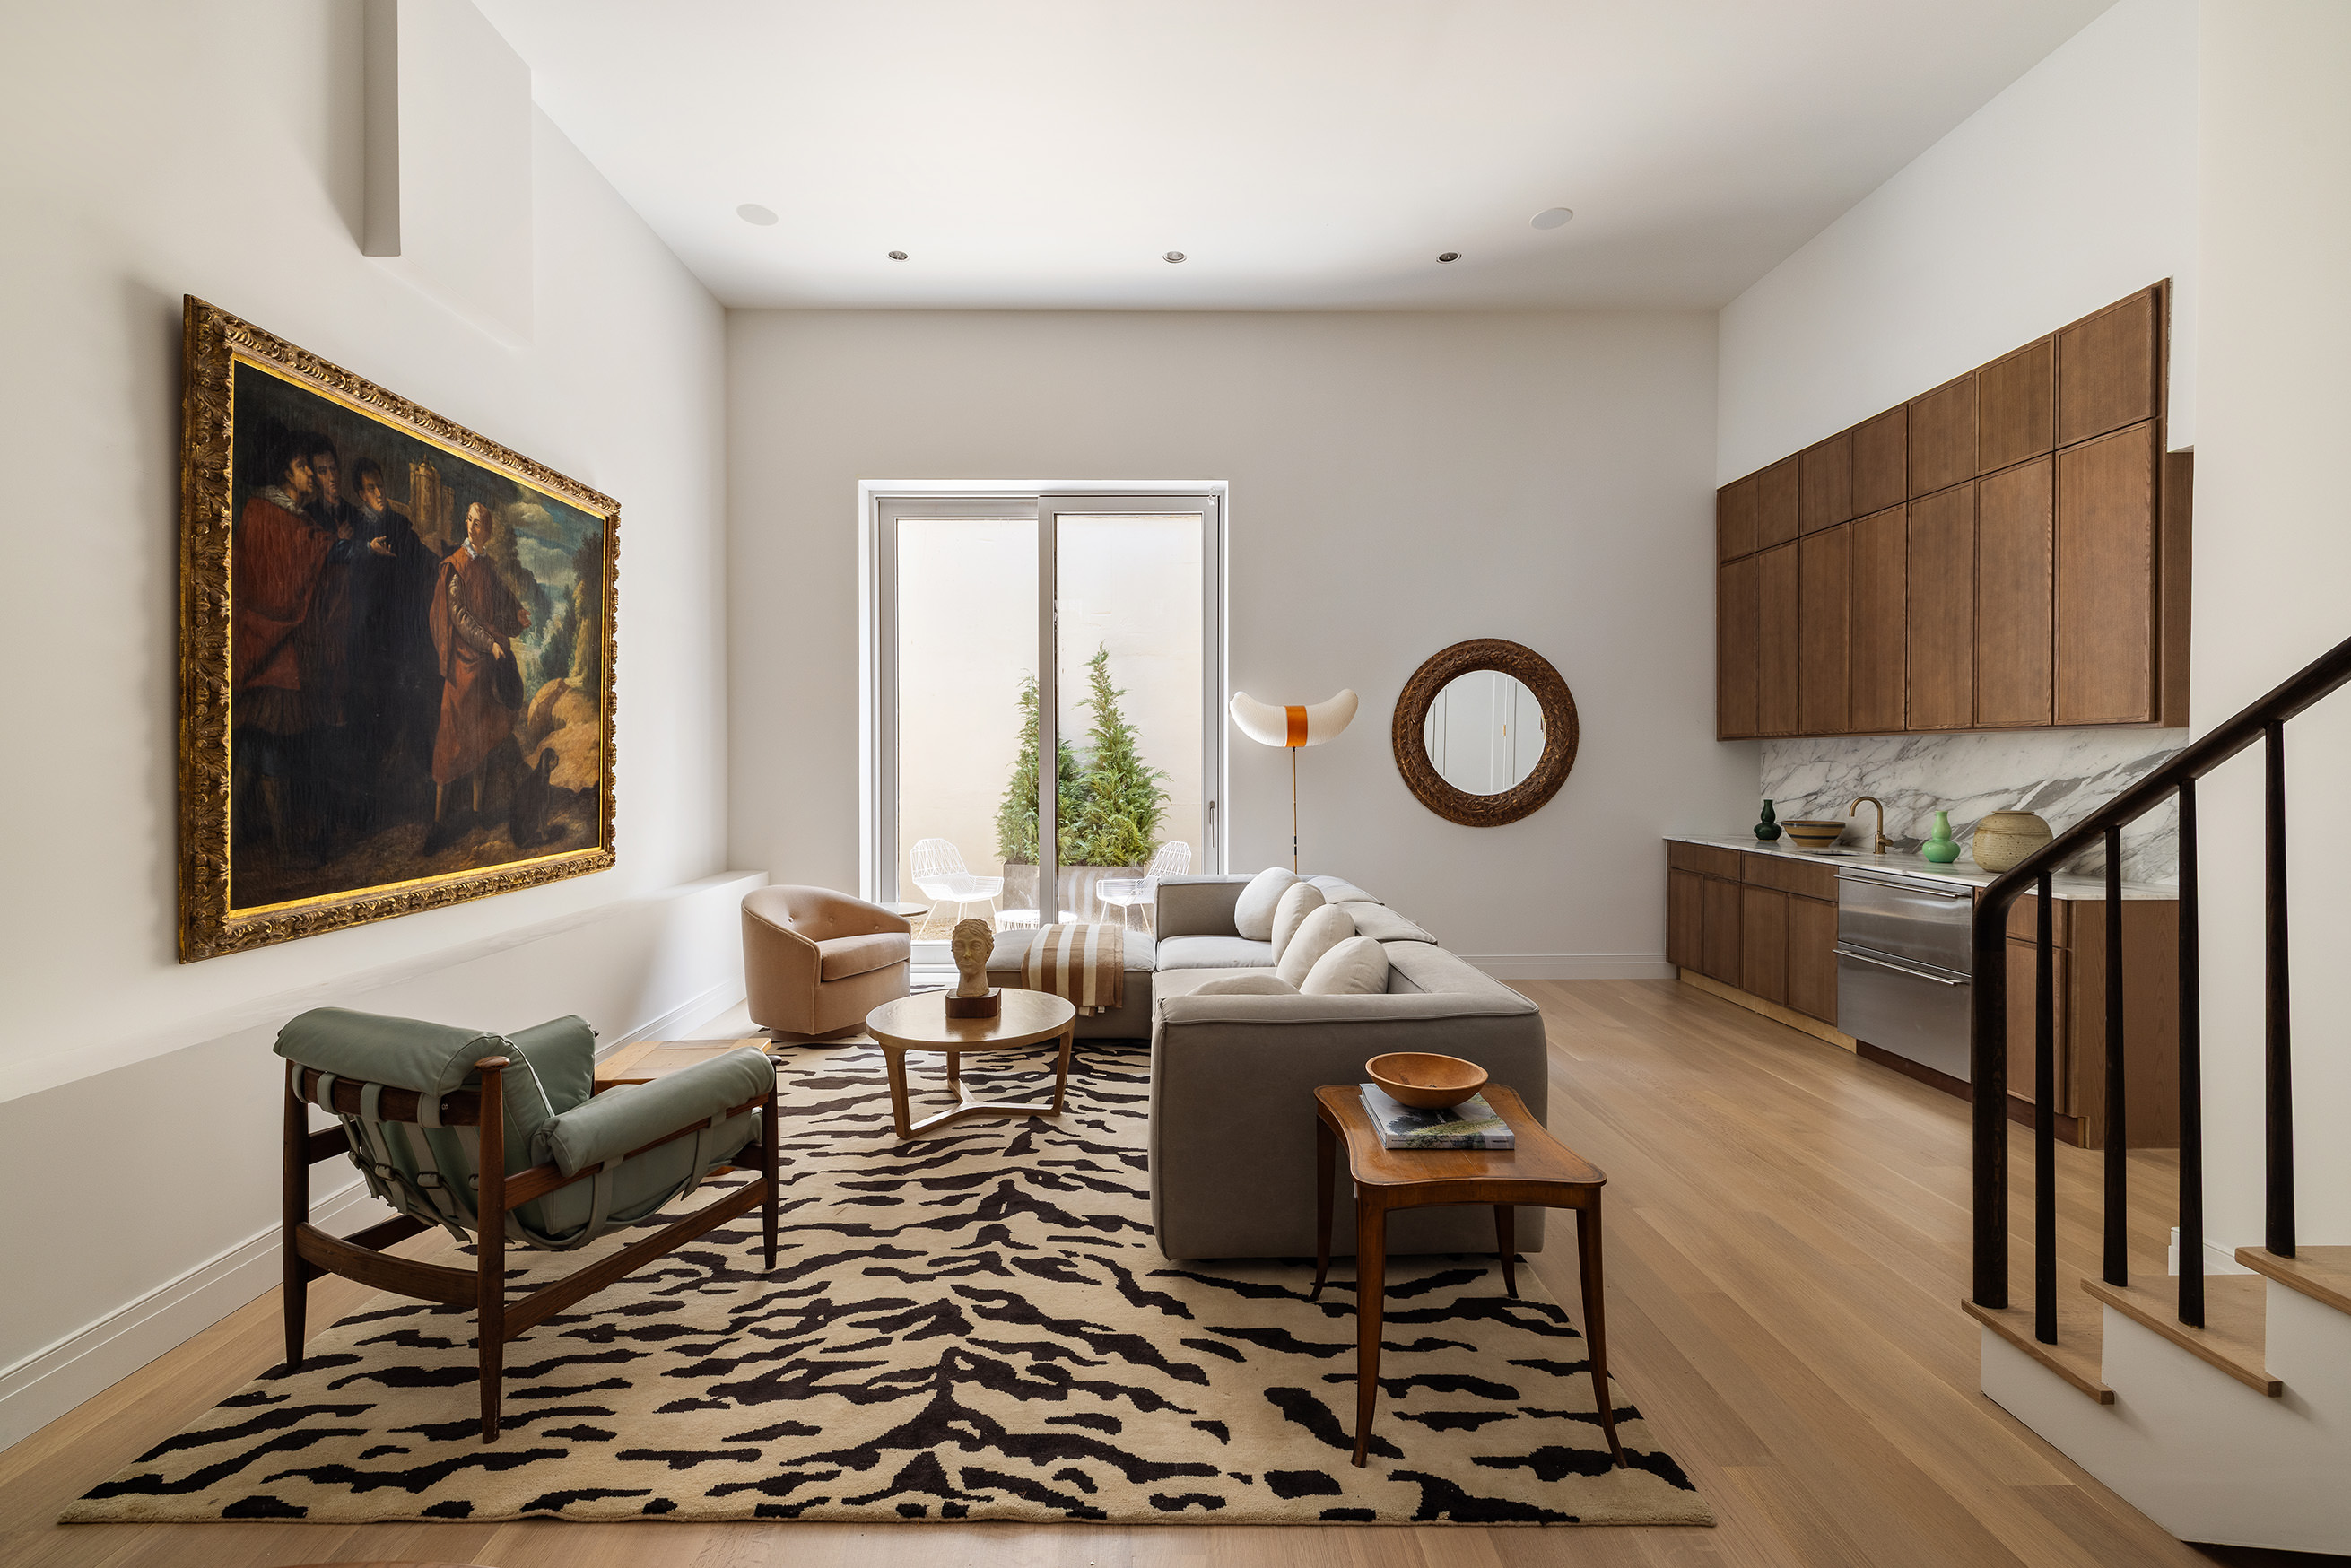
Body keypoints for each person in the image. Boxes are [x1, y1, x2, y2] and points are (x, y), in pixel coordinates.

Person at [231, 429, 353, 858]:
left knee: (257, 745)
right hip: (269, 647)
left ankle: (239, 830)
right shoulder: (266, 513)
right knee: (269, 747)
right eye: (305, 468)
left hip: (278, 648)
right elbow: (285, 575)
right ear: (286, 471)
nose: (311, 477)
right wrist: (346, 549)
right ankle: (282, 846)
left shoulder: (294, 519)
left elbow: (315, 554)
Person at [426, 501, 530, 849]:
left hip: (485, 664)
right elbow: (459, 616)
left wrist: (517, 612)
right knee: (450, 743)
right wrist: (490, 643)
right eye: (469, 520)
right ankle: (439, 824)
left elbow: (500, 596)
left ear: (487, 530)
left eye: (479, 523)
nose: (473, 527)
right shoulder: (455, 565)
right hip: (462, 665)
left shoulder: (486, 565)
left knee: (480, 740)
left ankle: (475, 813)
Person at [344, 457, 441, 810]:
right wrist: (368, 554)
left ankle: (424, 786)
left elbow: (422, 557)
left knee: (417, 700)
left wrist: (447, 565)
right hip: (370, 640)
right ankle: (369, 800)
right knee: (374, 716)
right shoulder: (353, 527)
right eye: (371, 488)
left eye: (380, 486)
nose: (379, 493)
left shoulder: (398, 526)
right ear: (360, 493)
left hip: (402, 636)